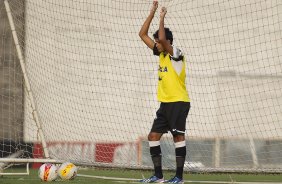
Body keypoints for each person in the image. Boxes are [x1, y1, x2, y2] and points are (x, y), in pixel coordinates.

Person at [139, 1, 190, 184]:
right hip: (165, 104)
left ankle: (179, 178)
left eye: (159, 41)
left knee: (178, 137)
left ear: (167, 42)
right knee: (153, 136)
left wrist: (161, 17)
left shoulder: (176, 54)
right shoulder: (160, 54)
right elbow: (142, 34)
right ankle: (158, 176)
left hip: (178, 102)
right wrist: (152, 12)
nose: (156, 44)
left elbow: (161, 38)